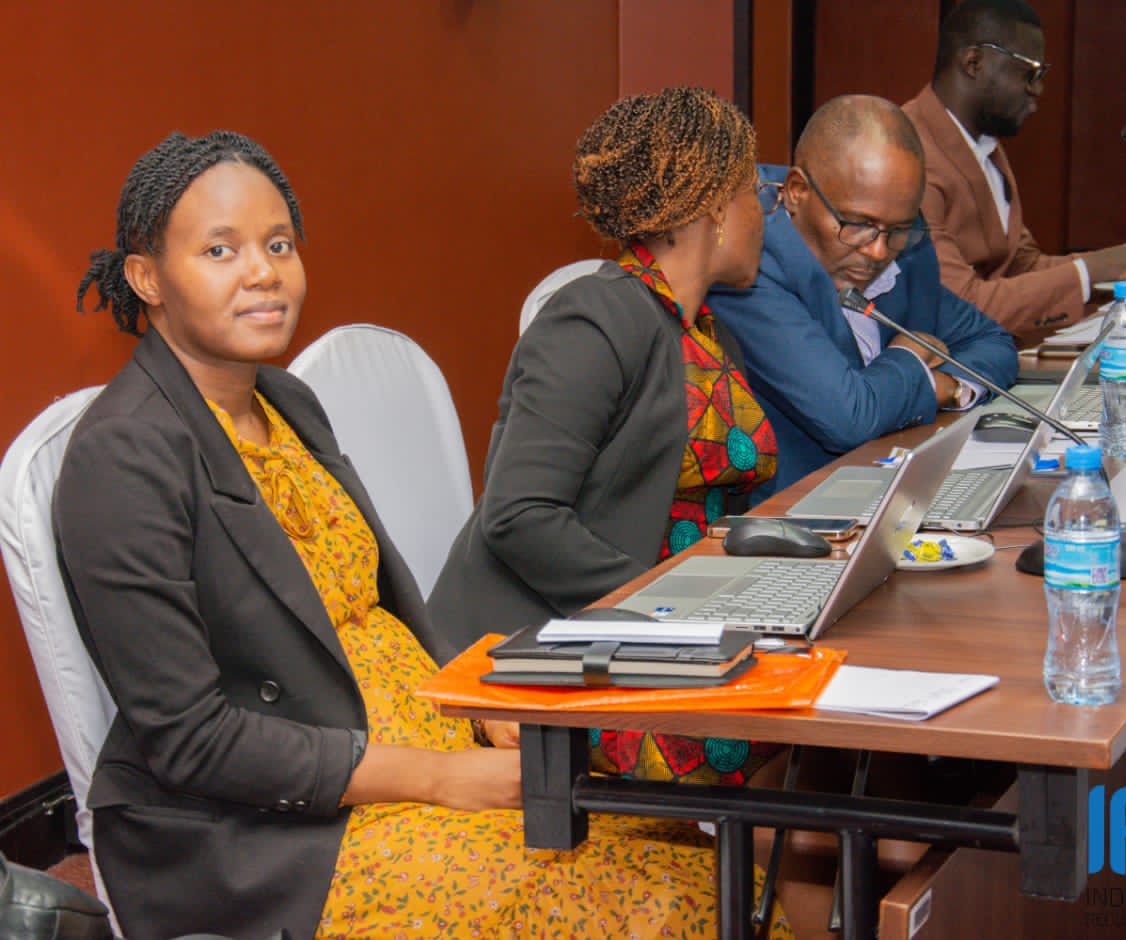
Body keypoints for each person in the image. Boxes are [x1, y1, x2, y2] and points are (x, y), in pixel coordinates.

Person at [56, 129, 792, 939]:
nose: (263, 271)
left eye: (279, 244)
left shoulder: (284, 402)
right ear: (147, 277)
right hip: (280, 830)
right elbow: (194, 742)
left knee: (694, 855)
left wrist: (476, 704)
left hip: (420, 739)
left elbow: (383, 611)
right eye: (220, 250)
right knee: (668, 907)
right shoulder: (122, 455)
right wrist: (440, 777)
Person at [428, 87, 790, 790]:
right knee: (773, 734)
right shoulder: (592, 318)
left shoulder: (707, 336)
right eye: (757, 194)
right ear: (716, 207)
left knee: (817, 699)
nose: (764, 216)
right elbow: (519, 516)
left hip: (661, 634)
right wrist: (671, 605)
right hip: (552, 651)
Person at [709, 94, 1019, 499]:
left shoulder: (904, 244)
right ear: (797, 191)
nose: (878, 251)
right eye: (857, 224)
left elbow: (992, 341)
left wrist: (952, 387)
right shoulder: (749, 260)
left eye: (897, 229)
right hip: (795, 510)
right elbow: (848, 417)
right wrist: (911, 361)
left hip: (896, 488)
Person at [902, 0, 1126, 341]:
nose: (1037, 90)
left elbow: (1022, 266)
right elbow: (958, 307)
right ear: (973, 62)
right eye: (1030, 73)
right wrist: (1096, 270)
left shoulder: (985, 146)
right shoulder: (909, 158)